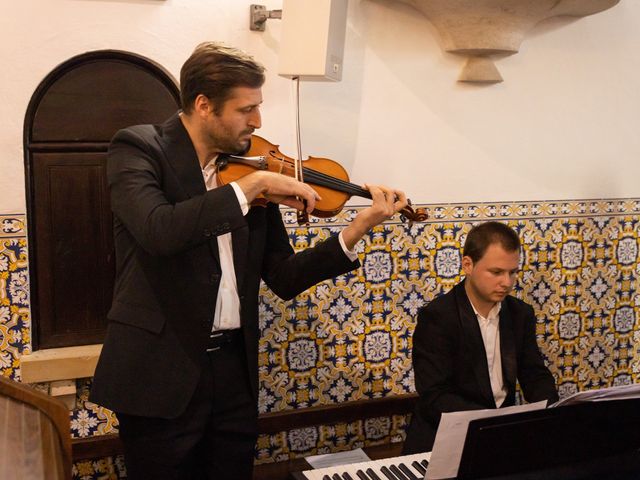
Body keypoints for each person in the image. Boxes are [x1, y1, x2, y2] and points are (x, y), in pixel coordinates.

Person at [90, 42, 408, 479]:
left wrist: (358, 228)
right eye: (246, 109)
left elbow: (283, 276)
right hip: (159, 372)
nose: (257, 121)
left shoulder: (247, 170)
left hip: (232, 372)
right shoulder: (140, 148)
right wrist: (253, 185)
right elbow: (158, 230)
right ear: (204, 105)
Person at [403, 221, 558, 454]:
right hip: (444, 439)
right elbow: (435, 395)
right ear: (468, 264)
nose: (507, 282)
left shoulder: (520, 313)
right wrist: (490, 423)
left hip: (499, 436)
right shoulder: (438, 317)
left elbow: (534, 374)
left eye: (513, 272)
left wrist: (552, 412)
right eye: (496, 272)